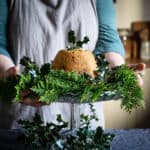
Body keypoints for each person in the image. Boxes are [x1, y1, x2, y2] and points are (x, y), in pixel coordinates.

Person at [0, 0, 145, 129]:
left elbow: (107, 39)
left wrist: (119, 71)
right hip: (24, 124)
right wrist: (8, 73)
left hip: (85, 125)